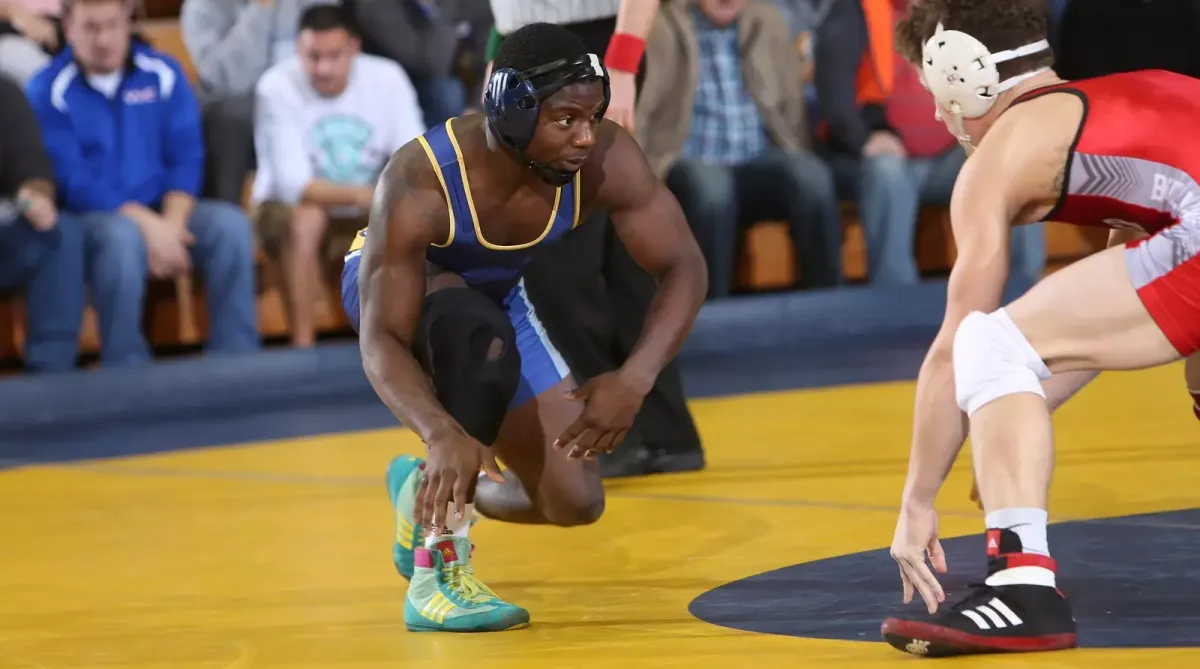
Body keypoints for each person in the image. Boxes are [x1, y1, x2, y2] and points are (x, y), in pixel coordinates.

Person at [341, 22, 707, 633]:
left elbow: (683, 265)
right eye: (567, 119)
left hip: (494, 299)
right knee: (473, 336)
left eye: (593, 117)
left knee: (574, 501)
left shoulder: (606, 159)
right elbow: (380, 340)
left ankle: (421, 494)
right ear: (512, 108)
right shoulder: (420, 178)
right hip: (398, 292)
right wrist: (437, 431)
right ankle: (438, 573)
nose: (586, 137)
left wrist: (636, 377)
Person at [878, 0, 1200, 657]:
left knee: (985, 341)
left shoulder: (1001, 155)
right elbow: (1106, 321)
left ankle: (1022, 588)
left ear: (963, 74)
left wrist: (917, 500)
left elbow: (959, 350)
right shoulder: (1125, 101)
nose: (942, 116)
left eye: (937, 93)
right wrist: (1000, 424)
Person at [487, 0, 708, 480]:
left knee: (556, 248)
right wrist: (496, 63)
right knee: (618, 252)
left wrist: (622, 65)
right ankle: (663, 434)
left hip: (593, 49)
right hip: (532, 54)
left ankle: (613, 434)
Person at [27, 0, 260, 367]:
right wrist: (152, 229)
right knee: (121, 238)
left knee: (229, 226)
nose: (103, 39)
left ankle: (238, 357)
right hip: (92, 217)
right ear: (68, 28)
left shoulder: (163, 73)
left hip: (166, 210)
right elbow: (74, 180)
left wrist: (172, 224)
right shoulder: (47, 90)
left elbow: (186, 155)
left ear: (127, 22)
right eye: (91, 28)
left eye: (111, 25)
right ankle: (126, 363)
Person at [251, 4, 424, 347]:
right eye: (313, 57)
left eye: (334, 55)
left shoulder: (387, 78)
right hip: (282, 209)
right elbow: (294, 186)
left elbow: (415, 159)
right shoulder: (276, 86)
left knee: (418, 208)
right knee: (307, 219)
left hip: (368, 202)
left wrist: (385, 197)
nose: (323, 68)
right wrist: (371, 195)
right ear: (298, 50)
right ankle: (303, 347)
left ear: (354, 48)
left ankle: (407, 346)